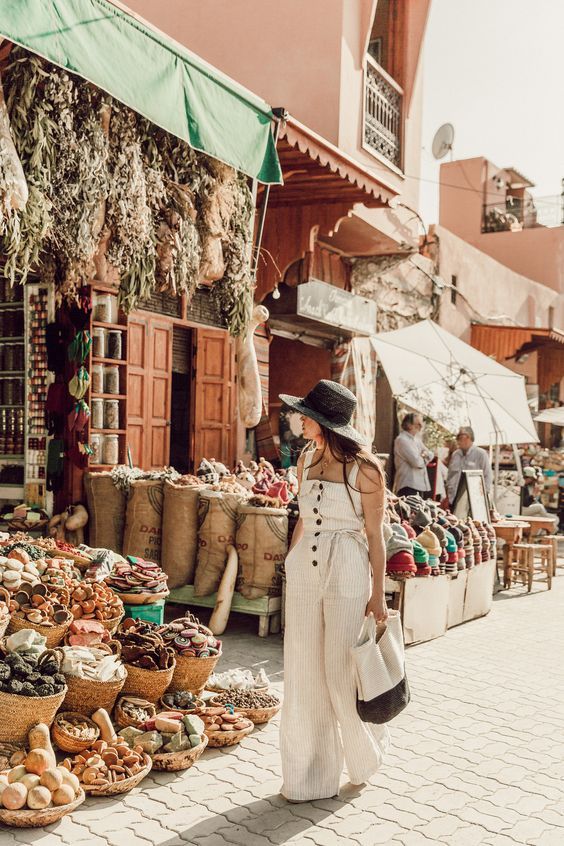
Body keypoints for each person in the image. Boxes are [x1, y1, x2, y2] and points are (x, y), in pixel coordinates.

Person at [278, 379, 390, 803]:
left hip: (346, 565)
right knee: (303, 671)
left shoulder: (366, 469)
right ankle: (307, 777)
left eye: (305, 415)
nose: (299, 420)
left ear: (323, 422)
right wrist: (291, 559)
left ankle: (363, 757)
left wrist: (377, 595)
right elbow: (304, 517)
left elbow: (376, 537)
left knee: (340, 670)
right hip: (305, 569)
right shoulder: (305, 458)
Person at [445, 426, 492, 506]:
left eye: (461, 437)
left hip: (472, 500)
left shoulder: (481, 454)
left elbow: (488, 477)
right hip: (453, 499)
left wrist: (483, 497)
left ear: (469, 438)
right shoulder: (455, 454)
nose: (458, 441)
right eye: (458, 437)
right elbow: (450, 476)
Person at [393, 412, 434, 498]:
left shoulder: (416, 439)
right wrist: (423, 456)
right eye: (418, 424)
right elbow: (417, 463)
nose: (421, 427)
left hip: (419, 485)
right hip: (408, 485)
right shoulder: (402, 440)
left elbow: (430, 454)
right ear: (409, 425)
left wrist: (423, 455)